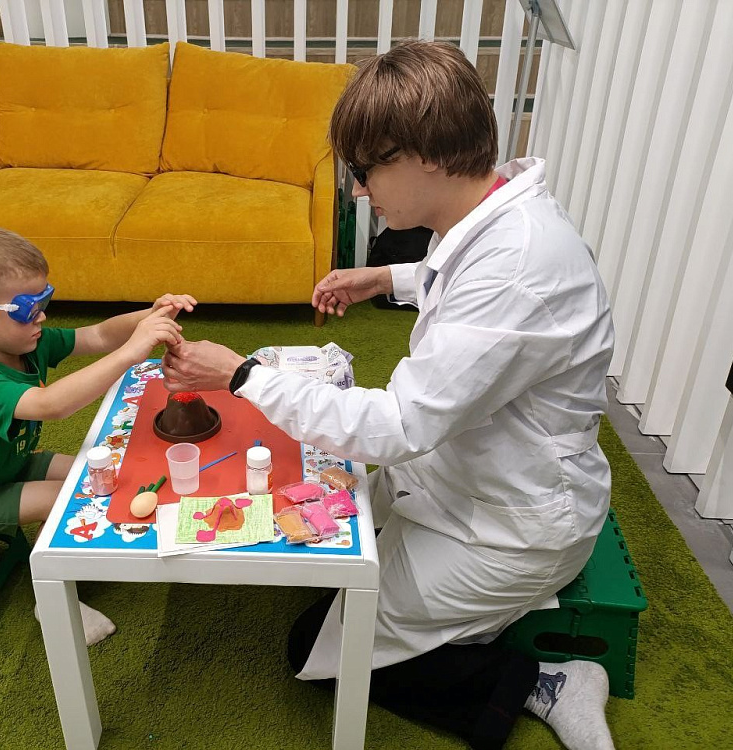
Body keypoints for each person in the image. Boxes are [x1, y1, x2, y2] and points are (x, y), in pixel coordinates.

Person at [161, 41, 615, 750]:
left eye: (366, 170)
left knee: (315, 646)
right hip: (461, 477)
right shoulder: (492, 215)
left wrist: (243, 376)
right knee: (323, 533)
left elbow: (398, 426)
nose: (358, 190)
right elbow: (460, 283)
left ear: (425, 156)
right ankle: (457, 619)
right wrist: (386, 279)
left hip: (512, 526)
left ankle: (543, 681)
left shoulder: (517, 266)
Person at [0, 223, 193, 645]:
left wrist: (150, 316)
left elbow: (97, 335)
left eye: (44, 299)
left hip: (8, 464)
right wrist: (133, 351)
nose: (42, 316)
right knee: (69, 500)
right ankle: (51, 602)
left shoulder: (26, 343)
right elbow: (52, 405)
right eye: (28, 308)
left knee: (102, 474)